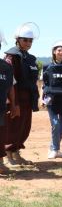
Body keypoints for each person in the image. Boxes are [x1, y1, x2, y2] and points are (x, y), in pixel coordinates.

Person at [3, 22, 40, 166]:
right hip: (16, 97)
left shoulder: (31, 58)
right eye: (25, 40)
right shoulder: (12, 56)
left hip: (28, 99)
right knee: (12, 126)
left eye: (30, 40)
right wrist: (13, 103)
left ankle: (16, 152)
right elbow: (10, 82)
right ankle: (7, 154)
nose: (28, 43)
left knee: (24, 127)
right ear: (17, 39)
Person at [0, 30, 15, 173]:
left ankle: (0, 163)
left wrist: (14, 104)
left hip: (1, 107)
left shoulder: (6, 67)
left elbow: (11, 87)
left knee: (1, 135)